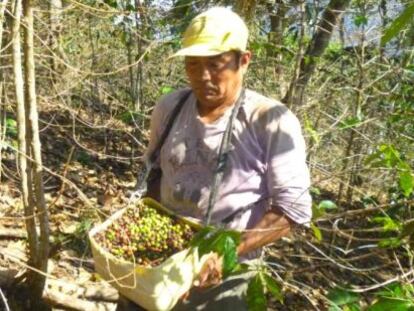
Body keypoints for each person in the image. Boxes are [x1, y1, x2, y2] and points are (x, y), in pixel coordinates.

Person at [118, 6, 312, 311]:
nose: (203, 76)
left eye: (216, 64)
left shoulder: (270, 120)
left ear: (243, 61)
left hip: (226, 268)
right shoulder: (170, 108)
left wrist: (227, 254)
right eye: (193, 65)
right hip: (161, 255)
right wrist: (145, 234)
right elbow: (153, 171)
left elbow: (293, 209)